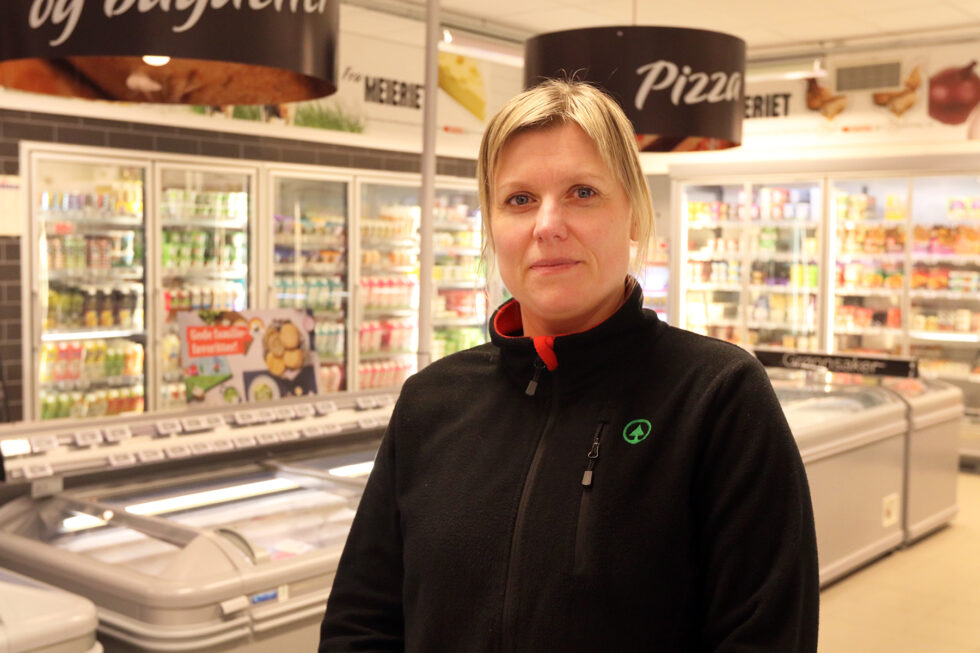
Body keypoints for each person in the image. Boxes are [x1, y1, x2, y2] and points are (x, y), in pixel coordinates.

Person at [320, 79, 819, 652]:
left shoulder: (719, 397)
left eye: (583, 192)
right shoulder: (430, 401)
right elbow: (361, 623)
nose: (547, 224)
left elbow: (765, 635)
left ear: (635, 214)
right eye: (519, 199)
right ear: (492, 226)